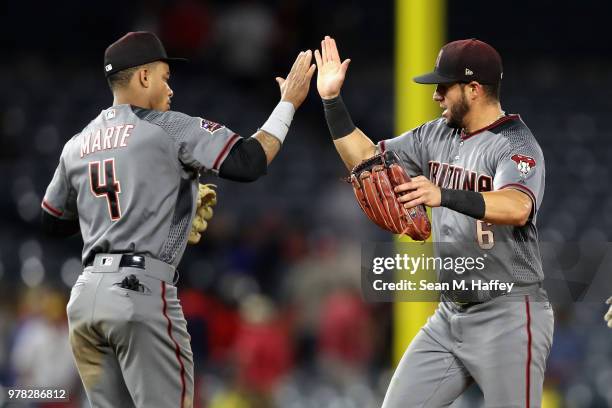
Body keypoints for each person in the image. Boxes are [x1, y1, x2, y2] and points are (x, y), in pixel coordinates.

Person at [40, 31, 315, 408]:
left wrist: (150, 205)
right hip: (140, 293)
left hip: (85, 299)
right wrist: (288, 104)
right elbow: (249, 162)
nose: (171, 89)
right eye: (165, 77)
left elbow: (52, 222)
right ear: (143, 77)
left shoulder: (77, 143)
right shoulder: (168, 127)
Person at [315, 35, 554, 407]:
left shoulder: (516, 144)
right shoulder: (435, 134)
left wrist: (444, 195)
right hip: (450, 315)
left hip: (508, 315)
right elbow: (366, 161)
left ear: (474, 89)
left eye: (444, 86)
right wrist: (332, 101)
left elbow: (517, 206)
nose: (435, 95)